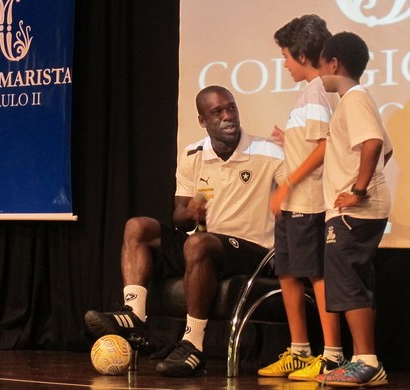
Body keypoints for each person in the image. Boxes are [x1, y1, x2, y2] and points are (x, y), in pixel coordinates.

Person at [84, 85, 285, 377]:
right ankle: (135, 317)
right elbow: (180, 220)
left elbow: (298, 189)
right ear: (203, 120)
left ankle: (193, 344)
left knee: (198, 244)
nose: (228, 116)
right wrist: (189, 212)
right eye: (217, 112)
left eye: (231, 108)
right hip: (205, 247)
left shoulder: (267, 151)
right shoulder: (193, 154)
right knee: (138, 227)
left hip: (252, 249)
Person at [257, 14, 343, 382]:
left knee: (315, 274)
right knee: (289, 273)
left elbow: (325, 146)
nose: (284, 64)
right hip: (293, 206)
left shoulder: (317, 91)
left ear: (303, 55)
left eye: (286, 57)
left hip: (307, 203)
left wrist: (288, 182)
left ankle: (333, 355)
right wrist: (286, 140)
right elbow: (309, 141)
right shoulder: (307, 94)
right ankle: (299, 350)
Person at [315, 31, 392, 387]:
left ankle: (367, 361)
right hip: (354, 212)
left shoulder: (355, 98)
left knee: (348, 284)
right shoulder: (355, 100)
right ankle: (364, 358)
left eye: (321, 65)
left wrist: (359, 190)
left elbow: (375, 143)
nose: (319, 73)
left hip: (353, 213)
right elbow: (385, 150)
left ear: (334, 63)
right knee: (356, 282)